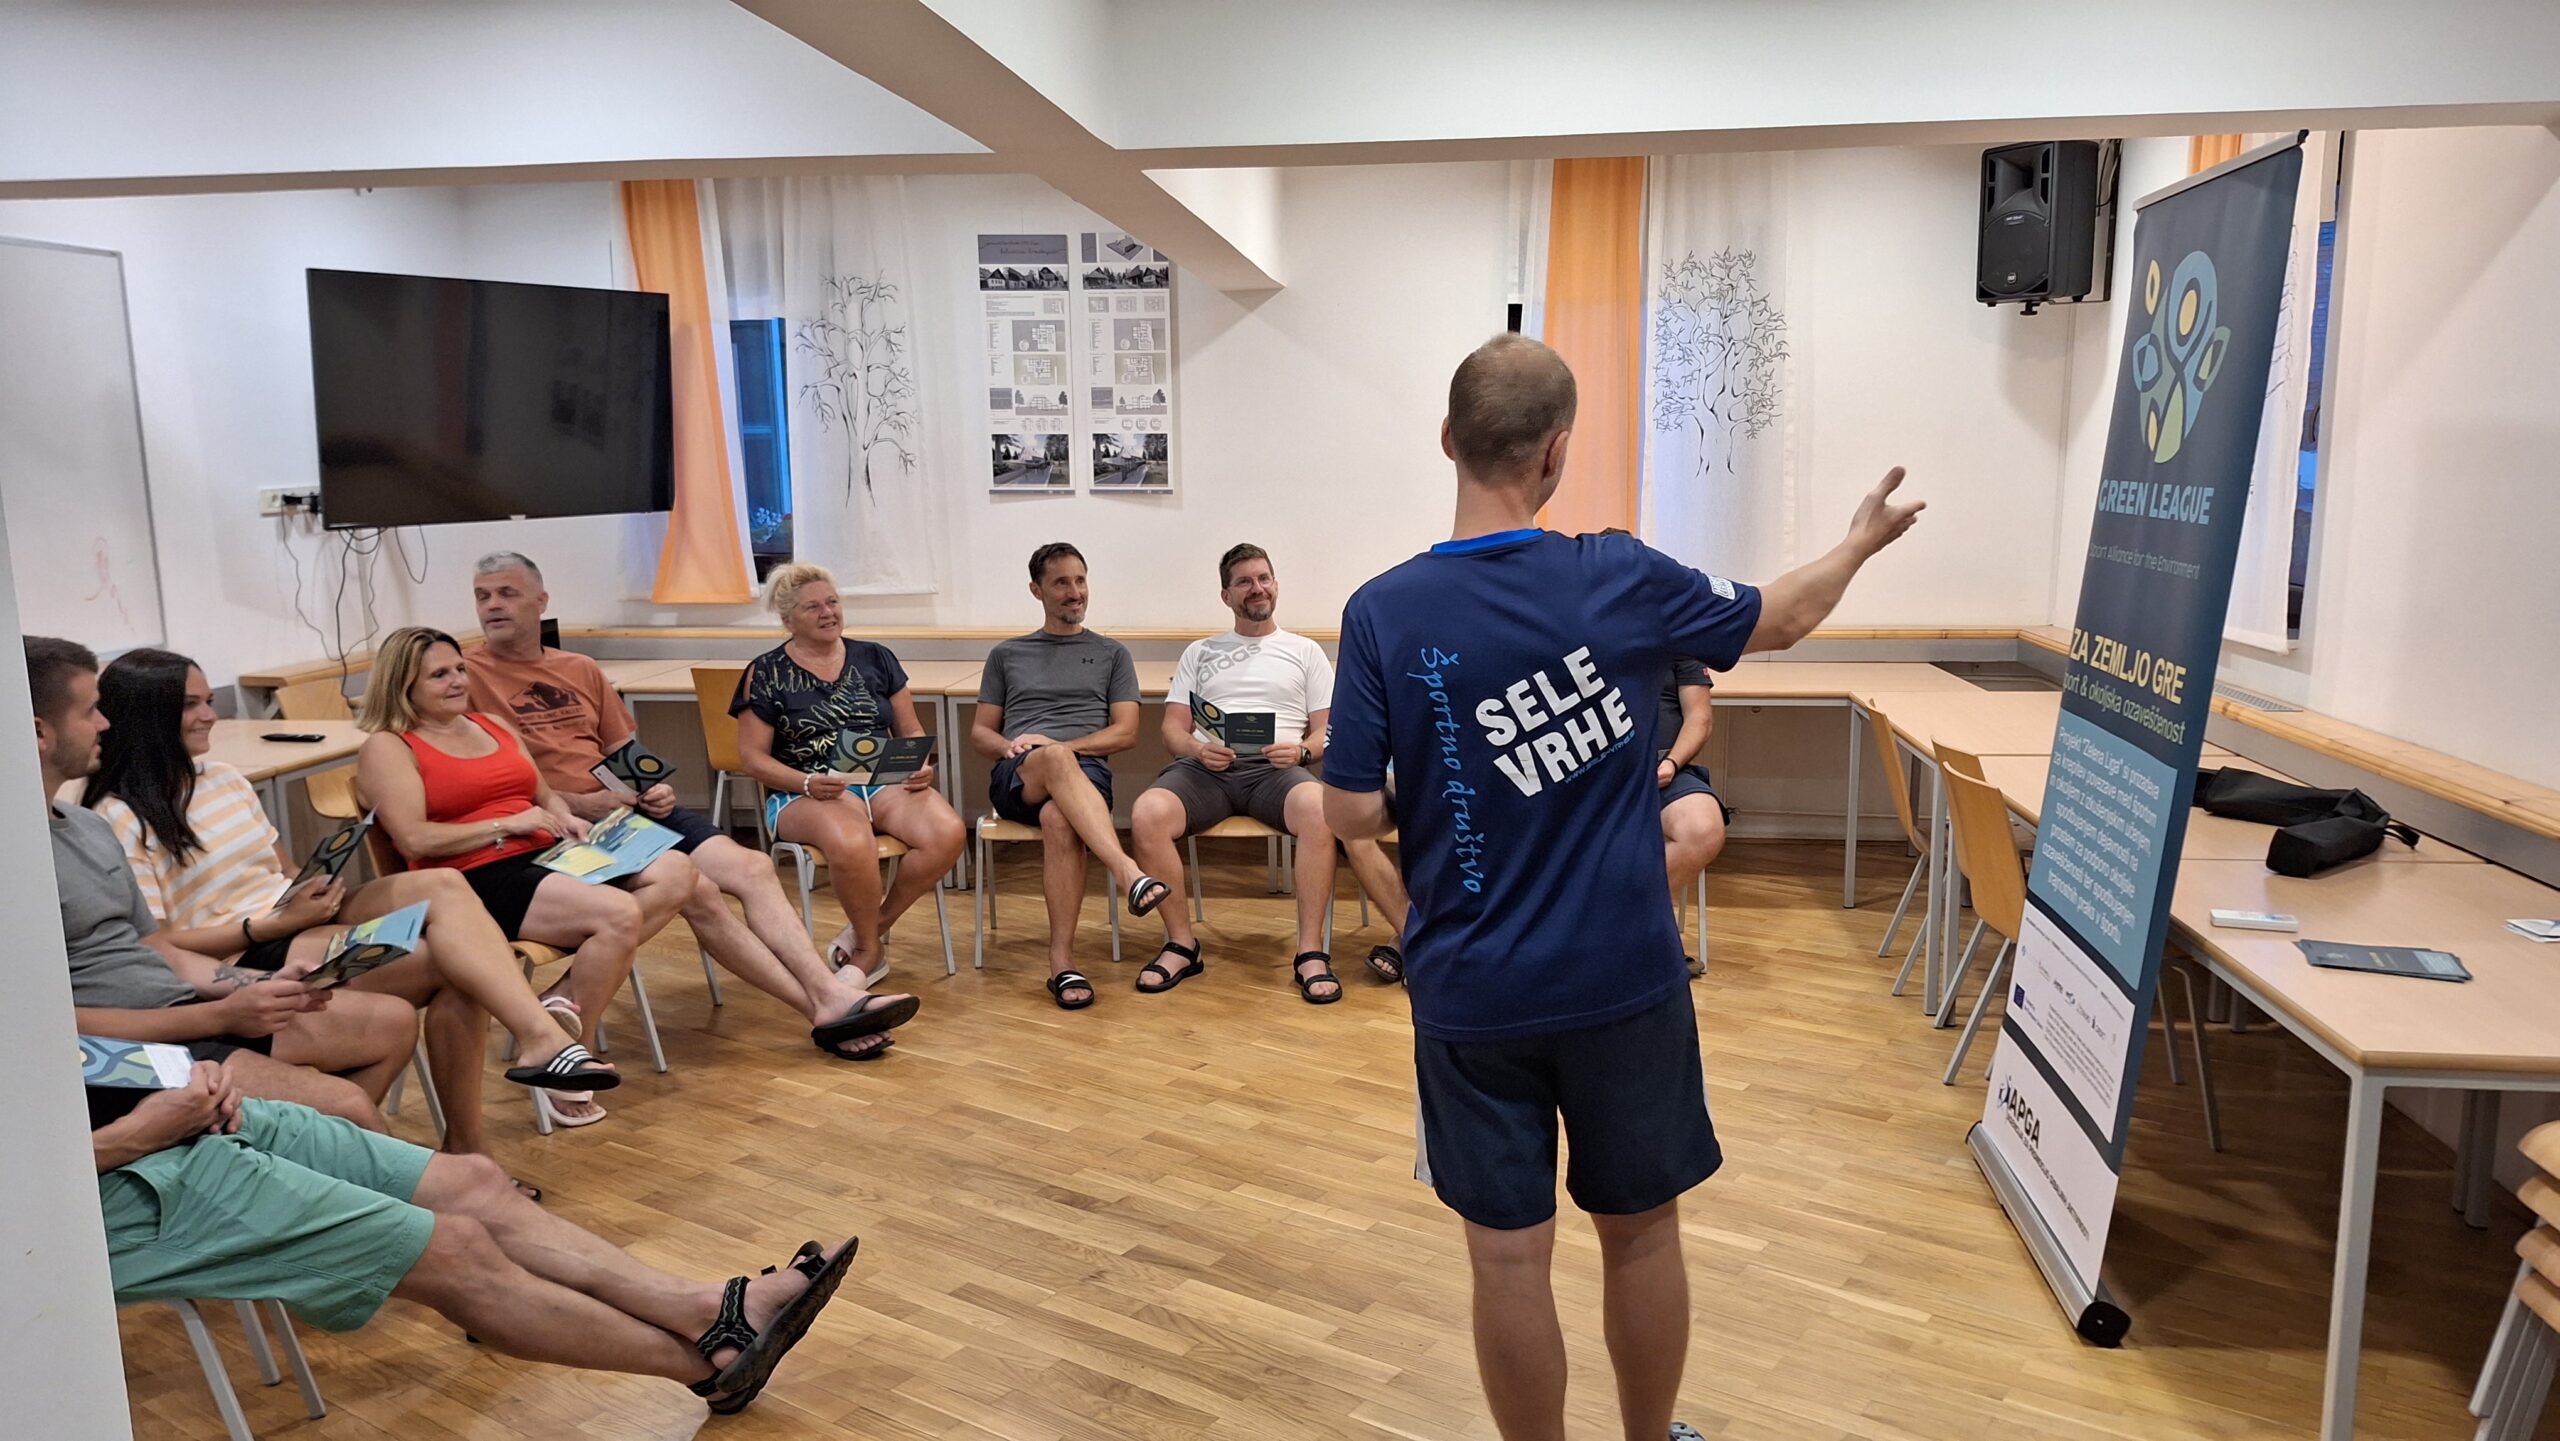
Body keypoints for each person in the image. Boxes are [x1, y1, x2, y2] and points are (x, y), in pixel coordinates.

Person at [1320, 333, 1920, 1441]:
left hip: (1471, 990)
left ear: (1447, 439)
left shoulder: (1381, 611)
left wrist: (1452, 785)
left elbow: (1351, 814)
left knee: (1507, 1259)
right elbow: (1782, 616)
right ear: (1555, 452)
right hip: (1624, 981)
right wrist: (1857, 543)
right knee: (1641, 1234)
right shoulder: (1619, 575)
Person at [84, 647, 617, 1158]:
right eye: (192, 705)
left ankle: (535, 1041)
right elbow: (158, 945)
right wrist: (269, 926)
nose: (210, 715)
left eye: (209, 700)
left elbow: (283, 873)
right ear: (148, 717)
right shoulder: (118, 816)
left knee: (445, 886)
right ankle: (470, 1137)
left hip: (291, 918)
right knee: (455, 965)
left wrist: (312, 889)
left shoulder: (225, 779)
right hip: (241, 950)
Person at [87, 1058, 853, 1414]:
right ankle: (705, 1359)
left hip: (164, 1108)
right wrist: (133, 1136)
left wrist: (184, 1078)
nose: (99, 721)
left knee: (477, 1182)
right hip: (96, 1180)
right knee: (453, 1249)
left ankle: (711, 1310)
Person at [466, 553, 921, 1062]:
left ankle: (828, 995)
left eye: (507, 593)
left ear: (541, 602)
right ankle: (827, 1003)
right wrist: (579, 802)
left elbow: (620, 751)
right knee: (698, 889)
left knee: (751, 867)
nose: (493, 605)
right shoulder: (467, 678)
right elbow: (484, 782)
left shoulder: (579, 668)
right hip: (559, 822)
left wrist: (650, 788)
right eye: (483, 596)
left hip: (624, 813)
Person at [28, 637, 414, 1133]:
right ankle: (319, 1148)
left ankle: (312, 1153)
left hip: (182, 1008)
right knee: (347, 1106)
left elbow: (160, 951)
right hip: (123, 1050)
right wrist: (221, 1015)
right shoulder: (28, 862)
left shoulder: (87, 827)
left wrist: (262, 985)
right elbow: (52, 1025)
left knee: (393, 1023)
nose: (105, 724)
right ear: (39, 732)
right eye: (90, 711)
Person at [356, 627, 697, 1127]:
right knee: (617, 914)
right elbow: (414, 840)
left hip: (547, 853)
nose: (457, 681)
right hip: (473, 876)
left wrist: (566, 818)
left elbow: (543, 795)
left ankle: (559, 1002)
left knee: (678, 868)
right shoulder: (390, 747)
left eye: (459, 669)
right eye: (439, 675)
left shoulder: (491, 724)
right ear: (403, 685)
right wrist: (507, 825)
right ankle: (568, 1052)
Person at [1126, 542, 1399, 1001]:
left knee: (1320, 811)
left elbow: (1328, 732)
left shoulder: (1304, 651)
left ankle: (1310, 951)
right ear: (1226, 595)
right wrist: (1197, 750)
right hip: (1207, 769)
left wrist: (1302, 752)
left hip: (1277, 771)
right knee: (1146, 813)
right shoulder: (1200, 652)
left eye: (1264, 578)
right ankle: (1181, 944)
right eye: (1244, 582)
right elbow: (1172, 730)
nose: (1257, 588)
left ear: (1276, 585)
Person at [969, 542, 1170, 1010]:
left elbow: (1126, 732)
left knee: (1060, 819)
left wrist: (1063, 748)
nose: (1074, 591)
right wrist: (1011, 746)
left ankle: (1061, 961)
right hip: (1019, 775)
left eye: (1080, 580)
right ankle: (1128, 873)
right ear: (1036, 590)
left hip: (1086, 777)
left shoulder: (1111, 653)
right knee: (1054, 759)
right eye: (1061, 582)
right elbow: (981, 732)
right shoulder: (1007, 654)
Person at [1657, 660, 1726, 978]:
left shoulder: (1678, 638)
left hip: (1664, 767)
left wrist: (1671, 763)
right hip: (1591, 770)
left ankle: (1620, 925)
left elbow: (1700, 717)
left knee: (1703, 829)